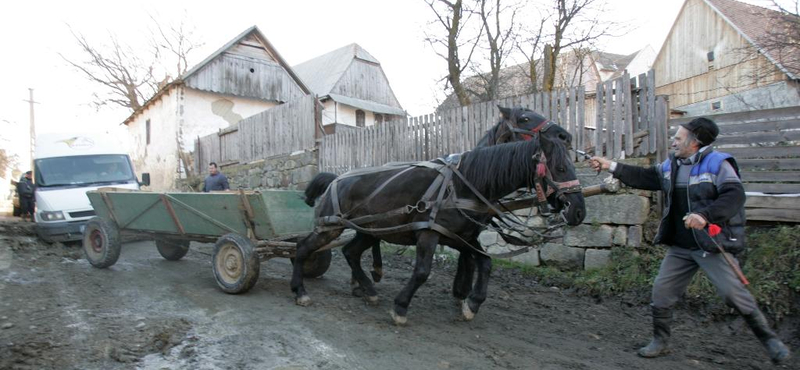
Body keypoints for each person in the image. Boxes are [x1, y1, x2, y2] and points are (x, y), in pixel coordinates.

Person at [590, 117, 790, 364]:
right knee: (662, 292)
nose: (673, 142)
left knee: (733, 294)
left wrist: (704, 215)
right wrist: (610, 165)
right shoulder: (672, 164)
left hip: (710, 245)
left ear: (695, 142)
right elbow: (646, 177)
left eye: (678, 138)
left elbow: (734, 196)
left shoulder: (718, 163)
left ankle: (771, 341)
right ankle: (660, 342)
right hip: (681, 247)